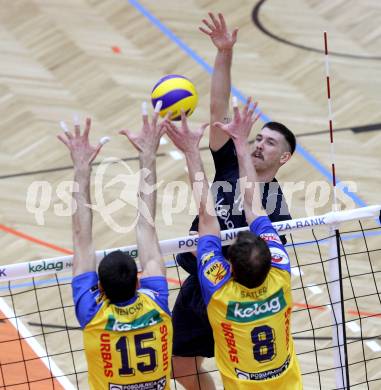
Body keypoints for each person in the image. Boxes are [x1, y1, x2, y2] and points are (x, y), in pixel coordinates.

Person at [171, 12, 296, 388]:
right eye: (258, 138)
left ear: (284, 158)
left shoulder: (275, 205)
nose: (260, 144)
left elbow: (261, 263)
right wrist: (225, 53)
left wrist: (215, 261)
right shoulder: (227, 161)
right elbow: (217, 108)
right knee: (179, 367)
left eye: (270, 143)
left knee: (236, 371)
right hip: (199, 285)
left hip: (231, 296)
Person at [58, 108, 173, 390]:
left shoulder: (92, 314)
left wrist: (81, 167)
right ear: (138, 280)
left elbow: (80, 236)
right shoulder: (155, 301)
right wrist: (148, 155)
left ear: (101, 289)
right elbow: (147, 226)